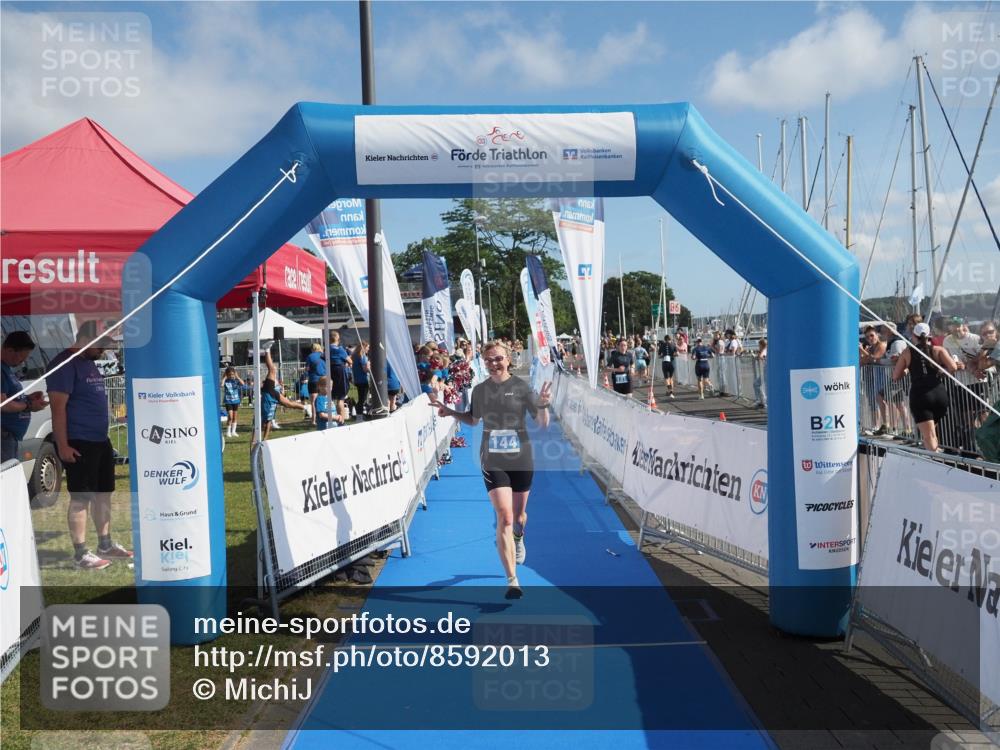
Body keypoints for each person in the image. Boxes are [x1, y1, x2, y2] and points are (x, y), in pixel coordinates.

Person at [427, 341, 551, 599]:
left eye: (497, 359)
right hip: (493, 459)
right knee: (504, 516)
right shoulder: (480, 391)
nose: (493, 364)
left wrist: (543, 405)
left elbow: (542, 424)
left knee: (518, 518)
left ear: (508, 359)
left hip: (521, 459)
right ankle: (512, 580)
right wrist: (450, 412)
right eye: (488, 360)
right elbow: (473, 420)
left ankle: (519, 537)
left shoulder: (521, 387)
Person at [46, 322, 131, 570]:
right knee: (81, 497)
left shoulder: (88, 361)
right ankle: (81, 553)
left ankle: (105, 544)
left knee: (104, 493)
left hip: (99, 440)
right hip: (79, 441)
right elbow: (57, 409)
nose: (104, 351)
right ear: (85, 338)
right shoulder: (64, 364)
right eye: (102, 345)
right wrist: (62, 445)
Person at [892, 322, 960, 453]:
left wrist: (906, 370)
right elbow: (953, 367)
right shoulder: (938, 350)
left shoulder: (908, 352)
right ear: (930, 335)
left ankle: (935, 461)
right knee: (933, 431)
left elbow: (895, 376)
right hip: (939, 393)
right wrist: (941, 372)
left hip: (920, 395)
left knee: (929, 436)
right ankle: (939, 454)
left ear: (913, 335)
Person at [1, 331, 48, 463]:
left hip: (9, 437)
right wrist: (28, 405)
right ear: (10, 350)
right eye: (22, 358)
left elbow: (10, 397)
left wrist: (27, 398)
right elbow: (3, 404)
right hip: (3, 437)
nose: (23, 362)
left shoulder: (6, 369)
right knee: (6, 478)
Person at [256, 345, 306, 444]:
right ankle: (266, 349)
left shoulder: (264, 419)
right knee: (273, 369)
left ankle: (306, 408)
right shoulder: (262, 419)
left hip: (272, 392)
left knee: (288, 404)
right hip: (270, 392)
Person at [859, 325, 889, 435]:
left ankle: (886, 425)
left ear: (877, 335)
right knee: (872, 401)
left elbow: (875, 359)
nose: (870, 338)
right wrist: (863, 353)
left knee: (881, 399)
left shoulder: (881, 345)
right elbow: (862, 362)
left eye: (872, 335)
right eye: (867, 337)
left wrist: (862, 350)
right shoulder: (870, 348)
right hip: (871, 376)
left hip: (881, 375)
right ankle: (875, 425)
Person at [328, 331, 352, 422]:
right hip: (340, 373)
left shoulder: (327, 349)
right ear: (338, 339)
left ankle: (333, 418)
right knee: (340, 398)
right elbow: (350, 361)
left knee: (332, 397)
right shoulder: (340, 350)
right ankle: (341, 419)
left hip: (330, 372)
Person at [305, 342, 327, 424]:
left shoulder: (310, 356)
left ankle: (314, 420)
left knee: (313, 401)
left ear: (312, 349)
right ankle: (325, 416)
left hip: (313, 380)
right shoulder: (324, 355)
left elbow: (307, 368)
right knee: (324, 399)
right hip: (324, 379)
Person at [221, 366, 245, 438]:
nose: (231, 376)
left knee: (235, 417)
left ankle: (233, 431)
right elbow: (221, 385)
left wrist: (237, 377)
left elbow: (243, 383)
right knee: (230, 417)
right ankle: (228, 432)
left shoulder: (235, 380)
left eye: (232, 374)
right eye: (230, 374)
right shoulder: (226, 381)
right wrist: (224, 378)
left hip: (236, 401)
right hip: (228, 401)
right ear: (227, 374)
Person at [352, 341, 370, 419]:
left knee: (360, 398)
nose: (368, 349)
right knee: (362, 399)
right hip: (363, 380)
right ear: (364, 347)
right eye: (368, 347)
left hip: (357, 380)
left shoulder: (354, 356)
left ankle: (359, 413)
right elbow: (365, 369)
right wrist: (369, 364)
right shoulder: (362, 357)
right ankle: (359, 415)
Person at [658, 335, 678, 399]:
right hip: (671, 362)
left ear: (665, 339)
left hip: (665, 363)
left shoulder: (662, 345)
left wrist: (663, 355)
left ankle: (670, 391)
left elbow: (659, 355)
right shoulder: (673, 345)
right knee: (671, 378)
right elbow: (677, 354)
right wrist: (672, 355)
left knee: (666, 378)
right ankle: (671, 391)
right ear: (670, 339)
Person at [752, 338, 767, 408]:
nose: (758, 347)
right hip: (766, 371)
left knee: (757, 384)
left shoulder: (764, 350)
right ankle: (762, 400)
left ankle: (762, 401)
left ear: (761, 345)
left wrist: (759, 356)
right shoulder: (766, 350)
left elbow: (761, 356)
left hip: (767, 371)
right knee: (757, 384)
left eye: (759, 345)